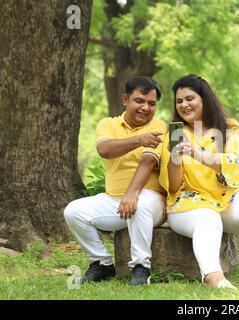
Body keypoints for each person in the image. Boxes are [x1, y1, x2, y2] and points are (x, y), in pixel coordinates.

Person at [159, 74, 239, 289]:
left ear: (205, 99)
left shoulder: (229, 127)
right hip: (189, 204)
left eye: (189, 98)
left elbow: (233, 161)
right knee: (206, 216)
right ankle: (214, 277)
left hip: (226, 199)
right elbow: (174, 187)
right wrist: (175, 159)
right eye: (179, 101)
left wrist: (195, 153)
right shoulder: (176, 134)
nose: (184, 105)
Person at [64, 76, 167, 286]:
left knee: (140, 203)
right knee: (73, 212)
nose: (146, 108)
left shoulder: (159, 125)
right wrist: (139, 139)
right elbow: (105, 150)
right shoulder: (108, 124)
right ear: (125, 99)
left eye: (152, 103)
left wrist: (132, 193)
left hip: (152, 201)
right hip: (115, 200)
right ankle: (102, 263)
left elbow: (147, 162)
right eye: (139, 101)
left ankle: (141, 268)